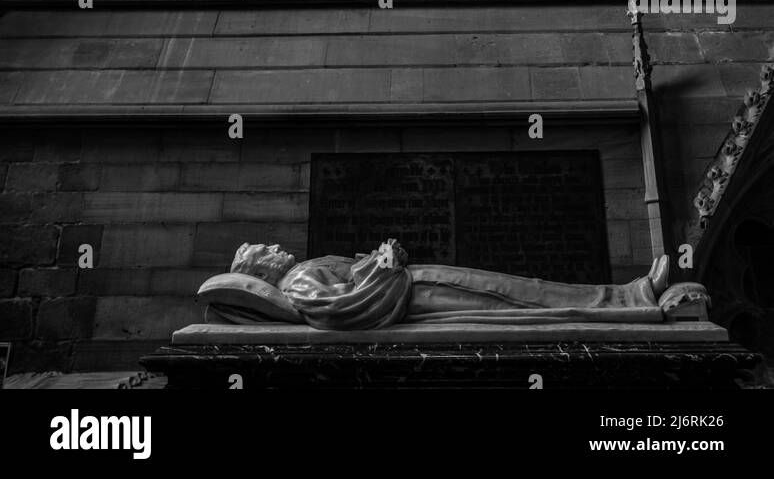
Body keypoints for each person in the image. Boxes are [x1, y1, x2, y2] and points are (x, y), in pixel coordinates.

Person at [195, 239, 708, 331]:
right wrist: (387, 264)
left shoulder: (299, 271)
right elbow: (344, 308)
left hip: (416, 284)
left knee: (519, 288)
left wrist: (382, 261)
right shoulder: (299, 280)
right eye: (263, 253)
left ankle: (628, 294)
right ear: (261, 273)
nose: (272, 249)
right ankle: (632, 298)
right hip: (416, 294)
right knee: (517, 297)